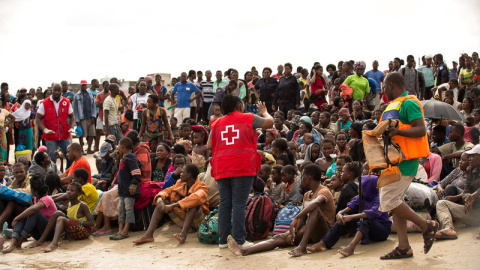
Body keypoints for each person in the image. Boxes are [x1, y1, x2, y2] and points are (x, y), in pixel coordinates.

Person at [377, 72, 438, 260]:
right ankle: (404, 247)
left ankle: (426, 225)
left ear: (392, 85)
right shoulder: (392, 105)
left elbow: (421, 129)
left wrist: (397, 133)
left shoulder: (409, 102)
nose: (384, 90)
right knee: (396, 202)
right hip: (393, 160)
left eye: (385, 86)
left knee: (388, 200)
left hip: (405, 160)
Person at [227, 164, 335, 257]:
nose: (301, 179)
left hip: (324, 233)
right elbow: (303, 218)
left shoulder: (324, 191)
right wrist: (294, 231)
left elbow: (315, 204)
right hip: (309, 230)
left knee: (314, 209)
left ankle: (302, 247)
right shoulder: (307, 194)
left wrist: (295, 217)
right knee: (279, 238)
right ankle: (245, 251)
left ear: (310, 176)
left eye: (303, 176)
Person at [208, 94, 273, 248]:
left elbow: (209, 146)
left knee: (224, 203)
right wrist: (264, 111)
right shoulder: (248, 117)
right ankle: (239, 240)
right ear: (238, 106)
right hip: (242, 165)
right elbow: (270, 122)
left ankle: (223, 241)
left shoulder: (216, 122)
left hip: (222, 166)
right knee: (239, 202)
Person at [435, 145, 480, 240]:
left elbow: (474, 193)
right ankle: (448, 228)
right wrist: (467, 198)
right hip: (472, 213)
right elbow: (466, 191)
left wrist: (474, 195)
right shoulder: (471, 170)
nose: (470, 159)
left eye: (472, 156)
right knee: (442, 203)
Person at [1, 177, 57, 253]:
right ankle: (13, 244)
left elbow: (33, 209)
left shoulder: (47, 199)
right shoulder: (35, 199)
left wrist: (16, 218)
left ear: (33, 190)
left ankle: (19, 242)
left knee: (34, 213)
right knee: (25, 215)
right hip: (38, 234)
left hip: (49, 233)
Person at [41, 182, 94, 252]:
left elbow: (91, 222)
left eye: (72, 191)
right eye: (68, 190)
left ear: (78, 194)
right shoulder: (69, 204)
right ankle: (41, 239)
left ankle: (54, 244)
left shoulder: (82, 205)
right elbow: (70, 219)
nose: (68, 192)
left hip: (83, 231)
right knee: (57, 213)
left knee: (61, 219)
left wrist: (79, 222)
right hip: (74, 228)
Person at [35, 83, 75, 168]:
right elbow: (38, 118)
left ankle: (68, 174)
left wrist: (71, 127)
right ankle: (53, 176)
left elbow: (71, 116)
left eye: (59, 90)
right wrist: (44, 129)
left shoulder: (66, 102)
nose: (57, 92)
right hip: (50, 136)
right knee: (51, 158)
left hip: (64, 135)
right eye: (55, 90)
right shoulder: (44, 103)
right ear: (51, 90)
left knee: (70, 156)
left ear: (61, 91)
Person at [73, 80, 96, 154]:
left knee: (91, 133)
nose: (84, 86)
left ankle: (89, 148)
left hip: (90, 117)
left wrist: (93, 116)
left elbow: (93, 106)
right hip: (82, 118)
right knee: (81, 134)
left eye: (85, 85)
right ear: (80, 86)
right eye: (83, 85)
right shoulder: (77, 96)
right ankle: (81, 149)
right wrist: (77, 119)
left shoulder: (90, 94)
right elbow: (75, 109)